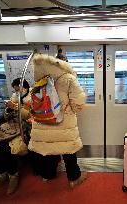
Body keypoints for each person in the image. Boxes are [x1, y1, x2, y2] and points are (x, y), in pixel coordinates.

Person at [28, 54, 87, 187]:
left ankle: (47, 175)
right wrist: (69, 109)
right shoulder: (69, 78)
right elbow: (78, 103)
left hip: (43, 121)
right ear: (65, 64)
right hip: (64, 121)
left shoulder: (40, 79)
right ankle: (74, 179)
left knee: (47, 148)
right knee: (68, 151)